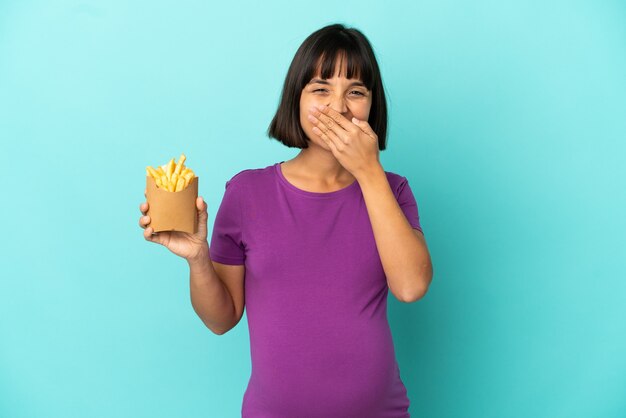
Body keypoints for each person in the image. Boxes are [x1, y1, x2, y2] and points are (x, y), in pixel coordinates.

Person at [139, 23, 433, 418]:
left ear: (372, 107)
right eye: (321, 89)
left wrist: (369, 172)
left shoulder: (393, 191)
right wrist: (197, 258)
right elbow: (221, 319)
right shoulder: (247, 193)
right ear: (296, 98)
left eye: (356, 92)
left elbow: (411, 286)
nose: (340, 107)